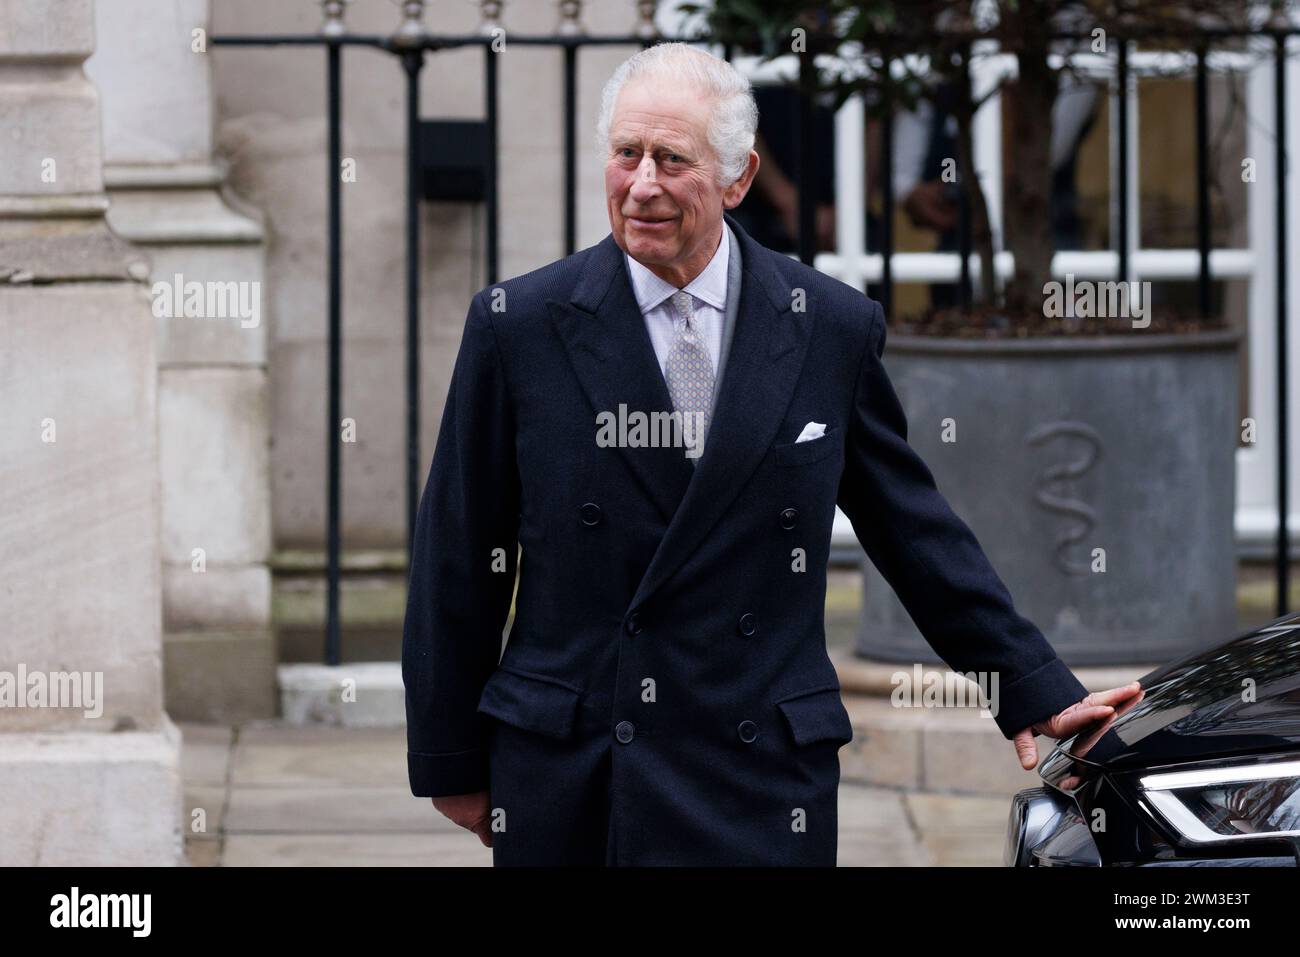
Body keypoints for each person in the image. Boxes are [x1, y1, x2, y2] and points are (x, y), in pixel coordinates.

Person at [402, 42, 1140, 866]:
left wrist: (1033, 688)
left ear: (738, 178)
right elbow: (458, 556)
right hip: (578, 769)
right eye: (625, 154)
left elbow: (914, 532)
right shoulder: (521, 323)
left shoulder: (826, 325)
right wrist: (450, 757)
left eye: (671, 160)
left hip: (757, 777)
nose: (641, 184)